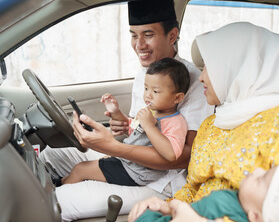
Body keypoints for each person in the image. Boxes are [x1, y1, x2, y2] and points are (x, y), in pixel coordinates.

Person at [129, 22, 279, 219]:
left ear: (240, 70)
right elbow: (193, 187)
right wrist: (166, 207)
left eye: (210, 68)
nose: (201, 78)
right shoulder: (212, 124)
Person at [39, 0, 211, 221]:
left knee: (54, 203)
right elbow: (141, 129)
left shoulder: (194, 82)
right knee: (51, 155)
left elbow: (182, 158)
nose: (139, 45)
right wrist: (121, 128)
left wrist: (112, 147)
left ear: (172, 35)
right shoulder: (144, 76)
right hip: (130, 159)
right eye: (133, 35)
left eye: (148, 35)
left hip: (158, 179)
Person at [62, 58, 190, 185]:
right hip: (127, 161)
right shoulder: (148, 112)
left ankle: (60, 193)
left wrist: (150, 126)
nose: (148, 95)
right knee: (88, 167)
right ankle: (61, 182)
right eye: (146, 89)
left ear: (177, 98)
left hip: (138, 172)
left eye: (155, 91)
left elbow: (171, 154)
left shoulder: (176, 122)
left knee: (81, 169)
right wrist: (116, 113)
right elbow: (132, 130)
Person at [129, 159, 279, 222]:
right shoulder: (238, 207)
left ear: (255, 216)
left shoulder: (223, 207)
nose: (257, 169)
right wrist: (168, 208)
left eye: (262, 179)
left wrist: (149, 215)